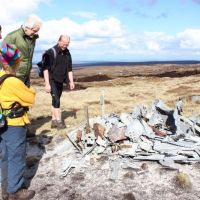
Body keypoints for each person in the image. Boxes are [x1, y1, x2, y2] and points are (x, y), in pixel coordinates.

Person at [0, 43, 36, 200]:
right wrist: (31, 89)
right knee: (16, 156)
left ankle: (5, 188)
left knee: (4, 156)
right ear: (15, 62)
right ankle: (15, 191)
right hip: (14, 124)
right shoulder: (12, 81)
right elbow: (30, 98)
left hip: (2, 123)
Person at [43, 35, 75, 129]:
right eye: (64, 43)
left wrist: (71, 81)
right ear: (59, 41)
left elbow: (69, 69)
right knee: (57, 101)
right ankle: (59, 122)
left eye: (67, 44)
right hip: (52, 80)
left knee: (55, 100)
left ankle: (53, 121)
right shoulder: (50, 52)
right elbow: (45, 69)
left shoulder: (67, 53)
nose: (65, 45)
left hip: (60, 80)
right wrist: (47, 84)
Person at [3, 15, 42, 87]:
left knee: (26, 98)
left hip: (26, 77)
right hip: (14, 77)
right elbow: (4, 59)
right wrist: (9, 77)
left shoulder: (32, 38)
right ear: (27, 27)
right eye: (34, 30)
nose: (36, 33)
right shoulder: (12, 37)